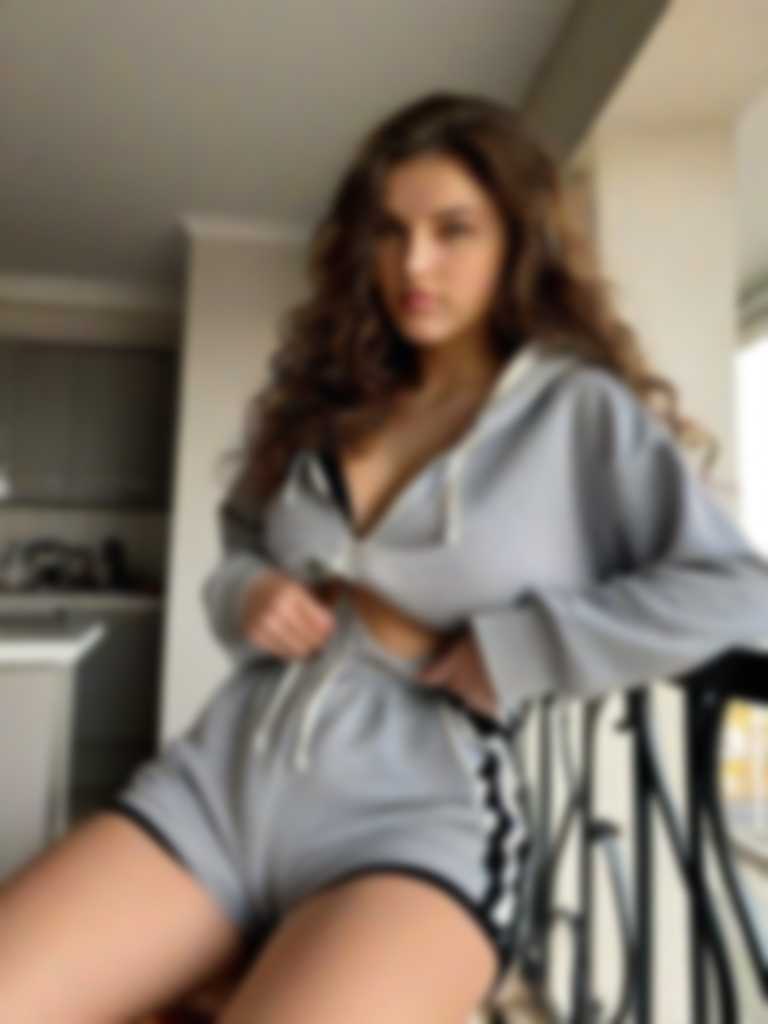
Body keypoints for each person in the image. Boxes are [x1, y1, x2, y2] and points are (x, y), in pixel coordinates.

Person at [3, 91, 768, 1023]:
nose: (414, 264)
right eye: (389, 232)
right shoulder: (329, 399)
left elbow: (737, 592)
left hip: (414, 821)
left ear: (516, 240)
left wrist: (525, 646)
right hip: (222, 781)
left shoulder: (577, 415)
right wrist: (249, 592)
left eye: (454, 231)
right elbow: (239, 541)